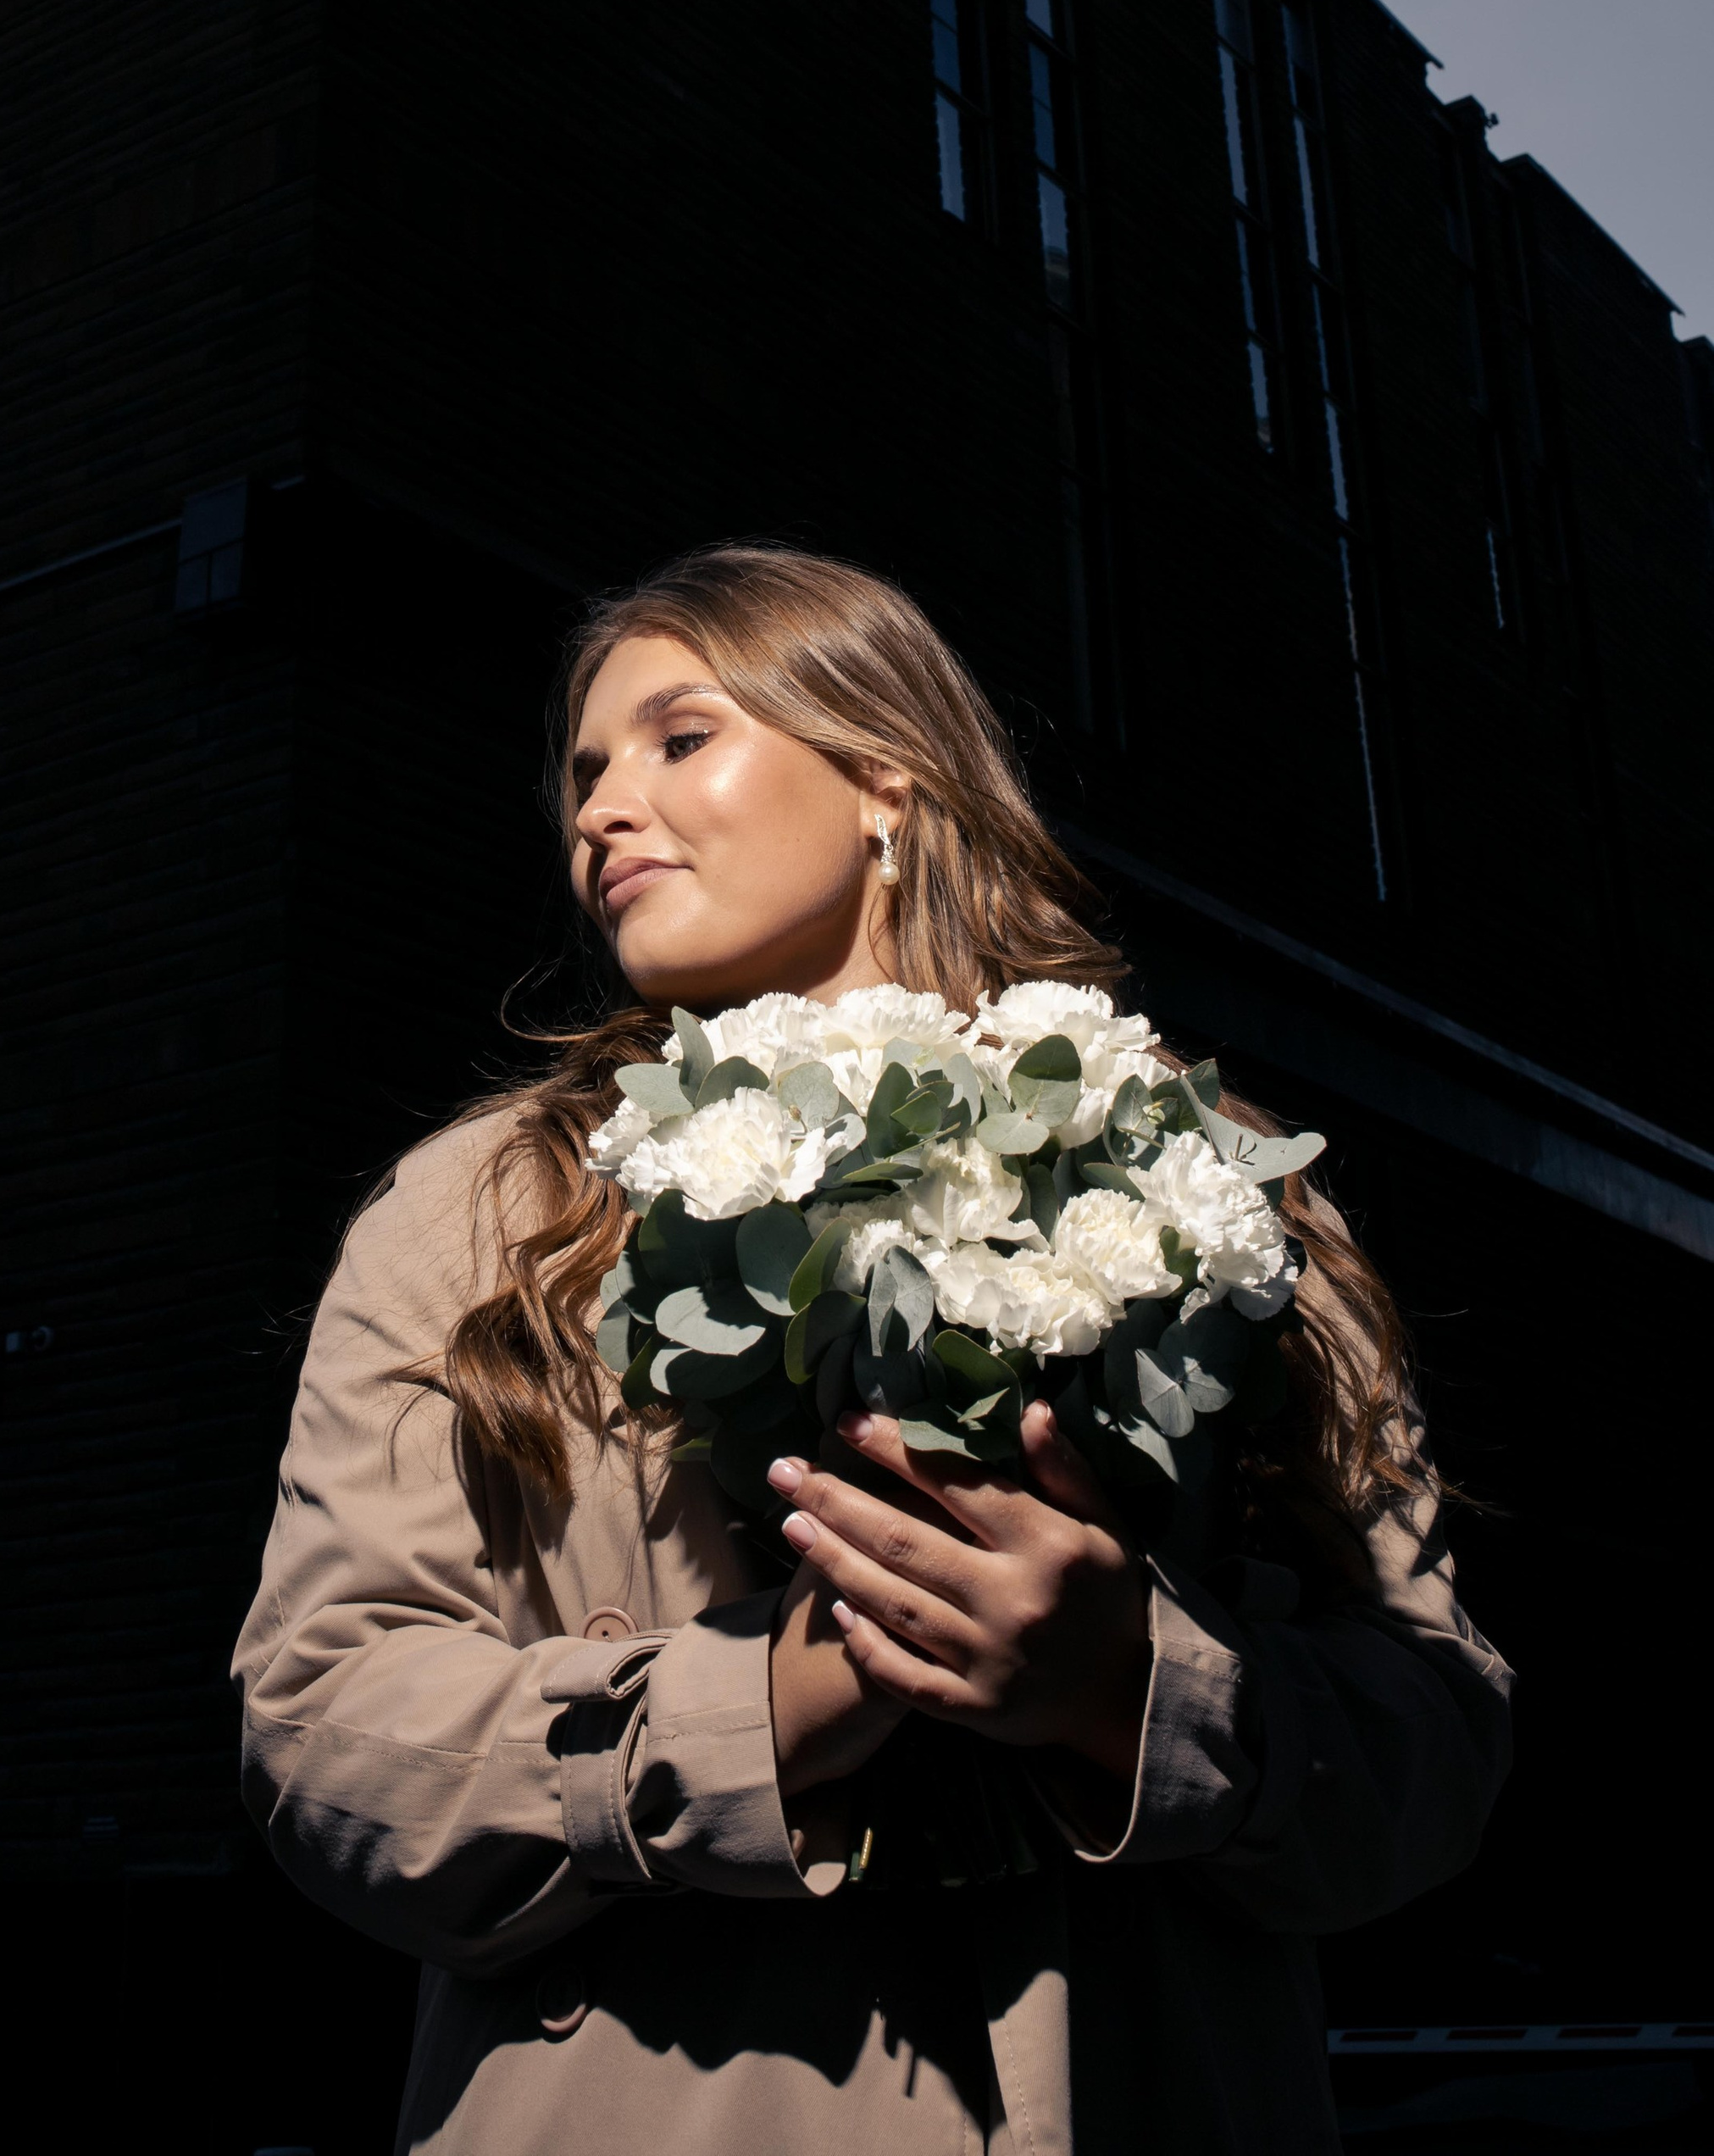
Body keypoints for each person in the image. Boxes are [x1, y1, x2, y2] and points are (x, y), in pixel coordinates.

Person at [233, 546, 1510, 2154]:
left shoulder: (1215, 1182)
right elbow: (323, 1729)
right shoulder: (488, 1212)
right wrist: (764, 1707)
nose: (600, 810)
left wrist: (1131, 1693)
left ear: (884, 783)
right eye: (583, 771)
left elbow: (1438, 1739)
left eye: (679, 738)